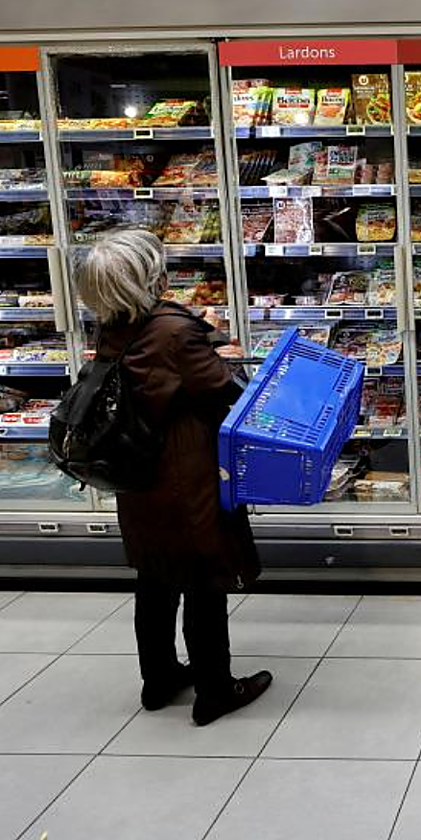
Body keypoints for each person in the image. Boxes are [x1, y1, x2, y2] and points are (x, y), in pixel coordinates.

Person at [75, 229, 271, 726]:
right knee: (205, 581)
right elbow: (222, 393)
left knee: (156, 580)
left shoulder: (114, 324)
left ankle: (158, 678)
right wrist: (220, 355)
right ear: (148, 277)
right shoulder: (173, 329)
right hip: (185, 476)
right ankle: (215, 690)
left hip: (137, 475)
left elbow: (156, 375)